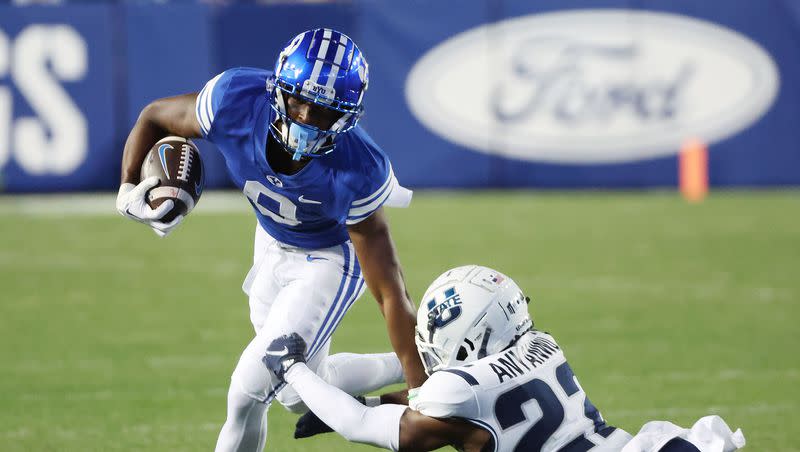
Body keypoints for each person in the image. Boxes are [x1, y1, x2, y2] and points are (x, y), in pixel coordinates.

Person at [115, 28, 426, 452]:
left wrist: (420, 387)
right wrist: (128, 187)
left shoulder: (359, 167)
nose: (306, 121)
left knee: (248, 388)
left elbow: (391, 292)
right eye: (300, 102)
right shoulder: (234, 100)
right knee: (296, 394)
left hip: (328, 262)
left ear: (349, 116)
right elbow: (154, 116)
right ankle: (436, 357)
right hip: (270, 244)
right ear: (279, 88)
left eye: (324, 113)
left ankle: (423, 364)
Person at [263, 265, 746, 452]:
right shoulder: (541, 345)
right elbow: (439, 412)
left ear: (472, 339)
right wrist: (372, 401)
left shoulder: (459, 391)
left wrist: (295, 369)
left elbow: (368, 430)